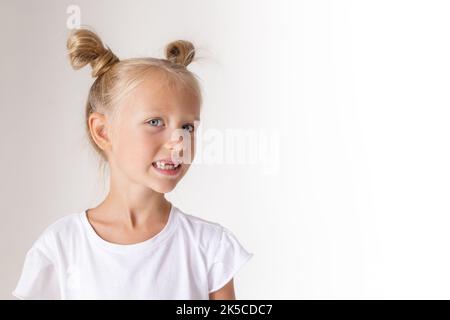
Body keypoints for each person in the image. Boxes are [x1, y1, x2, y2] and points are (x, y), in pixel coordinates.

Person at [12, 26, 253, 300]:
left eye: (187, 127)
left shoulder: (210, 248)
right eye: (155, 122)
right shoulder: (61, 247)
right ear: (103, 131)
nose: (178, 142)